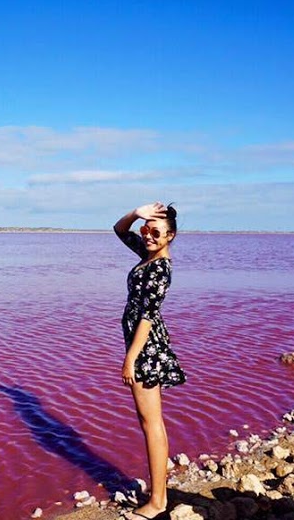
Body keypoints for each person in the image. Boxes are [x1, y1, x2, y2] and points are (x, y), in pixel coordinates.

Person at [113, 202, 187, 520]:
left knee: (151, 424)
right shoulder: (147, 257)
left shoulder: (160, 267)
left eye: (156, 232)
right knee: (152, 424)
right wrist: (136, 213)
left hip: (145, 350)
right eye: (146, 230)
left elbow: (147, 315)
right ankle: (159, 494)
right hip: (143, 346)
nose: (149, 235)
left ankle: (157, 503)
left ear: (170, 235)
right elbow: (119, 229)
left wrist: (130, 359)